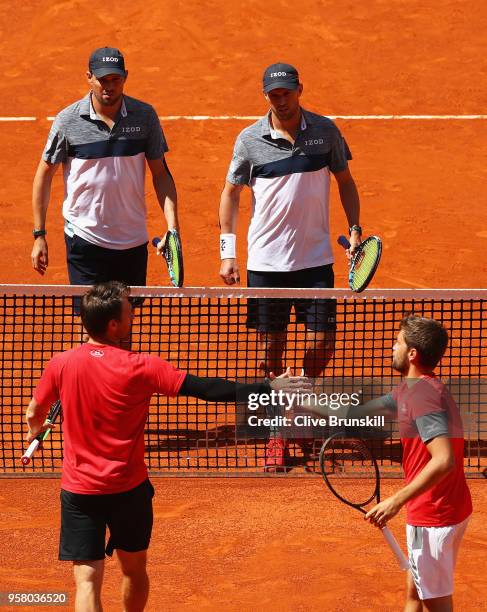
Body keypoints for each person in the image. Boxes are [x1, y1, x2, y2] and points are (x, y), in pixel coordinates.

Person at [25, 281, 308, 612]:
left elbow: (35, 413)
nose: (133, 314)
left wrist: (35, 432)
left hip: (80, 491)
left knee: (87, 580)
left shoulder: (61, 364)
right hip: (128, 489)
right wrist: (267, 387)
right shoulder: (141, 367)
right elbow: (205, 388)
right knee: (133, 569)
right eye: (129, 311)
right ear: (113, 325)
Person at [219, 62, 362, 469]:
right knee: (271, 349)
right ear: (265, 95)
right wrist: (227, 250)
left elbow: (345, 181)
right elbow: (229, 194)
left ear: (300, 89)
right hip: (267, 262)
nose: (280, 99)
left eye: (286, 92)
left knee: (322, 343)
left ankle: (298, 403)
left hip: (316, 259)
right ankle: (279, 429)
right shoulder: (249, 141)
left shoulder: (325, 131)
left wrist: (355, 229)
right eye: (273, 94)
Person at [319, 315, 472, 611]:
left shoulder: (422, 397)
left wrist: (394, 502)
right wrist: (295, 397)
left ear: (412, 353)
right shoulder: (412, 390)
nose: (392, 346)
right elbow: (353, 414)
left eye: (398, 341)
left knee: (435, 604)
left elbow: (443, 461)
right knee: (416, 596)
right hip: (442, 507)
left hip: (433, 517)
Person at [31, 47, 178, 295]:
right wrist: (39, 234)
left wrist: (172, 228)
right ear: (89, 77)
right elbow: (44, 174)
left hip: (132, 239)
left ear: (125, 77)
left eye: (115, 79)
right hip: (85, 238)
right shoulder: (68, 120)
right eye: (102, 80)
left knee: (123, 325)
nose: (108, 86)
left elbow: (161, 174)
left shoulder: (144, 116)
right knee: (90, 325)